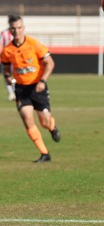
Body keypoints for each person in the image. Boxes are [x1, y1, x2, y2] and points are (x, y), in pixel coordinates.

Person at [1, 15, 61, 162]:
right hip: (21, 89)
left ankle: (52, 126)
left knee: (44, 122)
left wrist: (42, 81)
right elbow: (6, 68)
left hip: (38, 87)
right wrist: (8, 77)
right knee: (27, 118)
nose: (16, 31)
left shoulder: (34, 44)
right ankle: (44, 153)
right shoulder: (7, 50)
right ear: (10, 30)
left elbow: (50, 63)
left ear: (24, 28)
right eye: (13, 28)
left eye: (19, 28)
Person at [1, 24, 15, 101]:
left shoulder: (17, 33)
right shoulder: (4, 33)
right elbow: (1, 45)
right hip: (6, 58)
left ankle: (14, 91)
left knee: (14, 76)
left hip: (15, 58)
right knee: (7, 76)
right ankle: (11, 92)